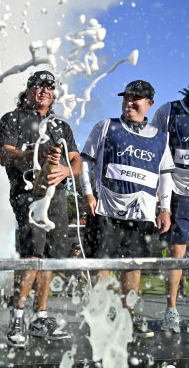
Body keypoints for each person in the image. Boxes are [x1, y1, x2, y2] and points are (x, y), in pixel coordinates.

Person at [79, 79, 174, 339]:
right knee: (102, 264)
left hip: (142, 214)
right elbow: (84, 162)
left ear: (149, 103)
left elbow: (165, 175)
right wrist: (87, 193)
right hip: (106, 209)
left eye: (136, 98)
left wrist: (164, 208)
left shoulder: (160, 138)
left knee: (133, 266)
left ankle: (127, 319)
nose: (129, 102)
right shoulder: (106, 126)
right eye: (126, 97)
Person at [0, 70, 81, 347]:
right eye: (37, 86)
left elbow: (77, 162)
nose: (43, 91)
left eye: (49, 87)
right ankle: (18, 316)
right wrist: (33, 155)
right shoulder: (12, 118)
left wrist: (65, 172)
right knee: (32, 253)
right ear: (28, 90)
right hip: (26, 194)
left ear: (53, 93)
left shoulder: (60, 126)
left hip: (56, 199)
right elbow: (3, 155)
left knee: (51, 257)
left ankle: (40, 317)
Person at [151, 91, 189, 334]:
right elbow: (153, 148)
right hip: (177, 191)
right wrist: (156, 192)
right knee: (177, 251)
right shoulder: (169, 111)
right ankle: (171, 310)